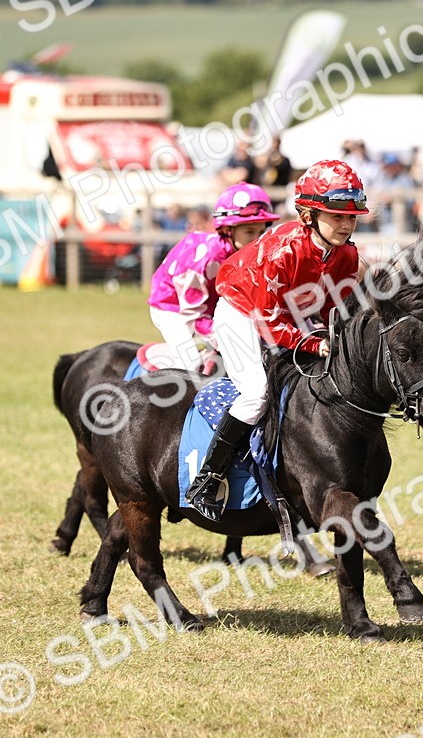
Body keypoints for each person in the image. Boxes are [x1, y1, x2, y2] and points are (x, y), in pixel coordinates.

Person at [185, 160, 367, 520]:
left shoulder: (347, 255)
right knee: (256, 393)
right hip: (241, 313)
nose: (346, 225)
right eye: (337, 216)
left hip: (290, 315)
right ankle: (207, 479)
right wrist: (315, 344)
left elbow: (332, 311)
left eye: (351, 217)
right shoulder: (283, 251)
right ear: (309, 215)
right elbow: (268, 324)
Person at [147, 183, 279, 375]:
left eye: (261, 232)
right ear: (227, 229)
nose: (257, 240)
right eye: (249, 232)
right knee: (190, 363)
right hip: (172, 306)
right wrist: (224, 339)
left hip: (208, 306)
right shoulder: (207, 258)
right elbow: (193, 314)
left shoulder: (250, 255)